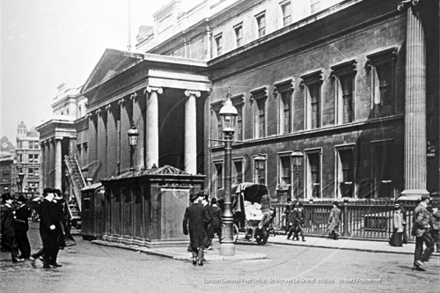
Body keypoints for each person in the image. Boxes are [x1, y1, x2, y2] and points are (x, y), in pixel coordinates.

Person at [183, 192, 211, 266]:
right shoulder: (202, 208)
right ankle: (200, 260)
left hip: (192, 228)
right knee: (201, 244)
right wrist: (204, 224)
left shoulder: (189, 209)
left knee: (193, 243)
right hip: (201, 227)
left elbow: (185, 220)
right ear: (196, 199)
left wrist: (185, 229)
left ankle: (194, 258)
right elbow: (208, 219)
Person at [39, 188, 63, 268]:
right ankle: (46, 263)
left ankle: (52, 261)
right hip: (46, 229)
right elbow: (45, 216)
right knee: (48, 245)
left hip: (54, 227)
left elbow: (57, 213)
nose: (54, 195)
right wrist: (49, 225)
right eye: (53, 194)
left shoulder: (51, 203)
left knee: (54, 245)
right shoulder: (44, 203)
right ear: (49, 194)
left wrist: (58, 201)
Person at [411, 194, 434, 271]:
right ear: (427, 200)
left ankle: (416, 265)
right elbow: (419, 220)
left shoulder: (418, 207)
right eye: (429, 199)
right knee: (431, 245)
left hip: (418, 231)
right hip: (423, 230)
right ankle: (421, 261)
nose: (429, 200)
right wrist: (425, 226)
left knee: (419, 247)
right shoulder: (422, 209)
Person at [0, 193, 22, 262]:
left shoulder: (9, 208)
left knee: (12, 244)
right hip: (8, 229)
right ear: (6, 200)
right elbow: (1, 220)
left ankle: (15, 257)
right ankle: (15, 257)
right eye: (9, 199)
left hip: (10, 229)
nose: (11, 201)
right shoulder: (5, 209)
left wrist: (20, 221)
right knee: (13, 244)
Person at [13, 194, 32, 259]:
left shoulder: (24, 208)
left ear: (21, 202)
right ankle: (25, 253)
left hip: (21, 226)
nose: (18, 202)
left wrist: (15, 217)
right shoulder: (22, 207)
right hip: (21, 227)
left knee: (22, 241)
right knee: (22, 240)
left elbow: (23, 217)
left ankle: (25, 253)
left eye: (19, 201)